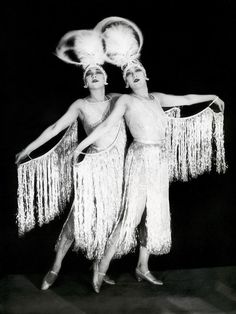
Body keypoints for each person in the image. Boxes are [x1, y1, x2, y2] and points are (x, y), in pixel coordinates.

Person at [73, 17, 225, 293]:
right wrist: (82, 146)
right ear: (126, 81)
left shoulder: (157, 98)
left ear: (145, 74)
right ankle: (102, 267)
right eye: (129, 74)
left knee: (152, 215)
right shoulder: (126, 101)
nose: (134, 75)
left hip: (159, 160)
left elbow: (188, 98)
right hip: (140, 158)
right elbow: (106, 125)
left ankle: (143, 267)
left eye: (138, 70)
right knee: (131, 215)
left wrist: (212, 95)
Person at [15, 29, 127, 290]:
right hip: (93, 169)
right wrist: (28, 149)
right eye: (89, 74)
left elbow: (149, 104)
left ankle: (99, 267)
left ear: (107, 78)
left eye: (98, 72)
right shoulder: (80, 105)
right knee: (78, 220)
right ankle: (55, 267)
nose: (95, 75)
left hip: (118, 170)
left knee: (110, 220)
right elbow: (54, 128)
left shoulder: (121, 100)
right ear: (85, 83)